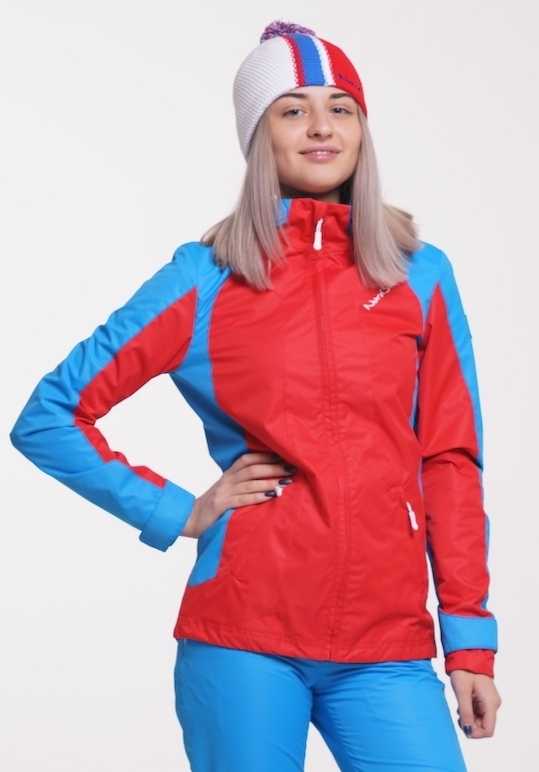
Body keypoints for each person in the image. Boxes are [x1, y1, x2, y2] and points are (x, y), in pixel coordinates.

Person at [9, 18, 502, 772]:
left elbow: (450, 461)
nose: (321, 127)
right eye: (292, 109)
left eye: (341, 108)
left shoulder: (419, 274)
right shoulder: (206, 276)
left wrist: (468, 640)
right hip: (243, 637)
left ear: (362, 131)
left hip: (387, 642)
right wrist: (176, 511)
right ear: (257, 134)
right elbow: (49, 416)